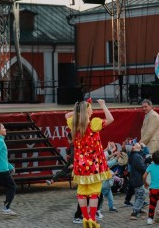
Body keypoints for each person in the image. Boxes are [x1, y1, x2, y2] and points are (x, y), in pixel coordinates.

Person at [65, 98, 114, 228]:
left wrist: (77, 111)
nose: (92, 111)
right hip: (94, 165)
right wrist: (103, 105)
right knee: (94, 193)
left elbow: (67, 116)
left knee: (81, 191)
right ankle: (92, 218)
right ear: (87, 112)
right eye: (90, 109)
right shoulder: (93, 124)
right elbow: (110, 119)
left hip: (80, 165)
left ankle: (85, 217)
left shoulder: (73, 125)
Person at [128, 142, 147, 220]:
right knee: (141, 195)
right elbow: (142, 167)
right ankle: (135, 212)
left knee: (138, 195)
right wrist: (147, 166)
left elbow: (144, 153)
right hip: (137, 178)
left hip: (135, 178)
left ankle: (138, 209)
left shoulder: (134, 155)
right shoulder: (136, 156)